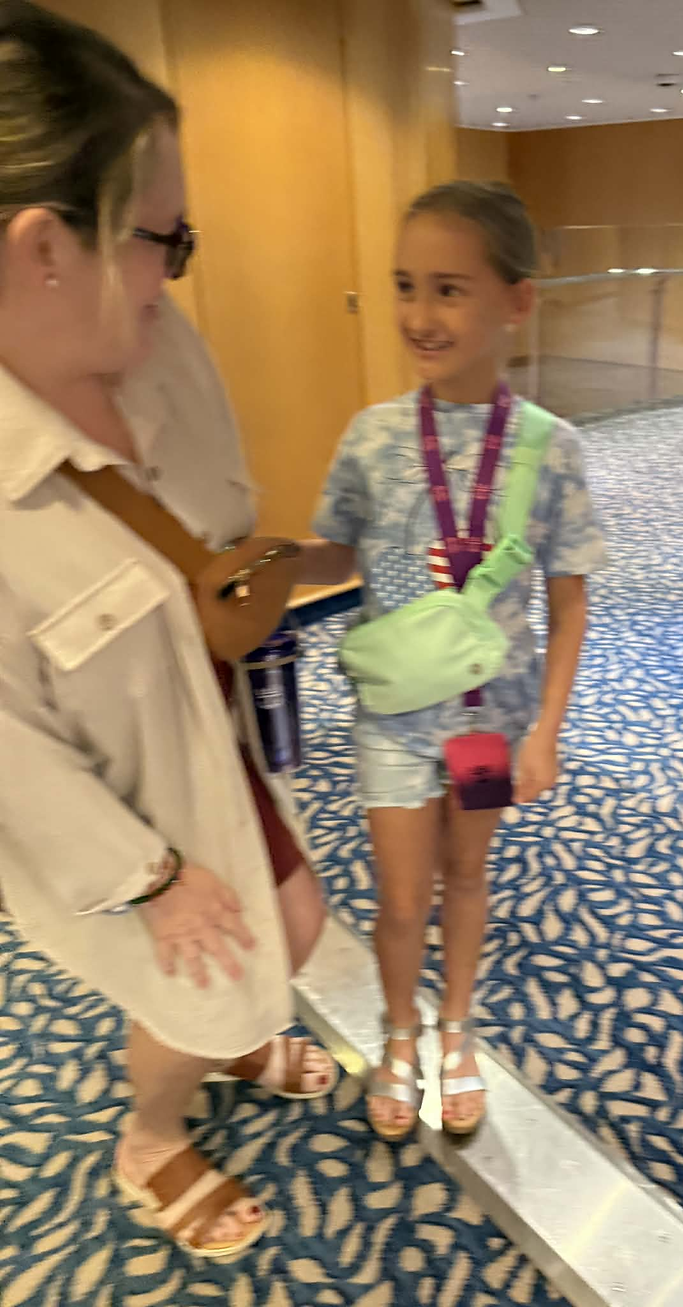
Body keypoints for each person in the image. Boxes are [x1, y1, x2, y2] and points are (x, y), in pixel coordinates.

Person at [0, 2, 336, 1259]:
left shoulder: (153, 339)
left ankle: (234, 1033)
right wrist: (145, 875)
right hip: (118, 809)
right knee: (217, 959)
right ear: (43, 246)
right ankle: (148, 1133)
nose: (173, 271)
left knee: (288, 920)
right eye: (160, 239)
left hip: (212, 713)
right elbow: (12, 761)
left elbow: (212, 518)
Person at [300, 181, 605, 1140]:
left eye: (448, 289)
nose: (419, 316)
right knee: (400, 895)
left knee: (466, 880)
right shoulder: (375, 435)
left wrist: (546, 729)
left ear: (517, 300)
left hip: (488, 723)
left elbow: (568, 594)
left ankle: (458, 1033)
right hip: (395, 720)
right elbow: (346, 554)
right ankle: (401, 1031)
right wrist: (263, 563)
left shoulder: (551, 449)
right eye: (404, 286)